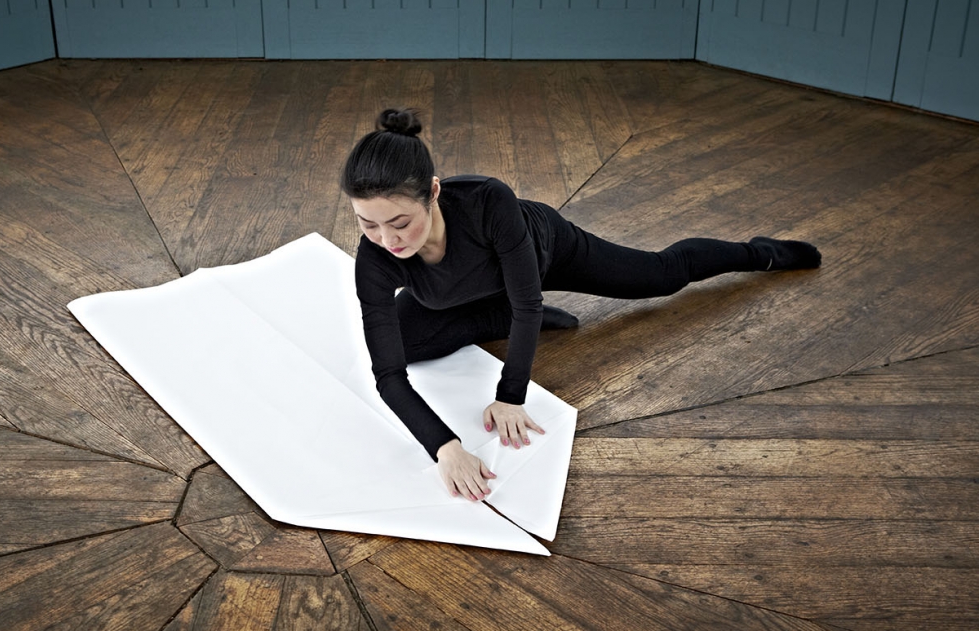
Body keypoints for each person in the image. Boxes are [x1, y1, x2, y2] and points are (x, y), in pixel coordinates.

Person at [342, 108, 821, 502]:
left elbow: (528, 303)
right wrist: (445, 447)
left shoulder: (489, 201)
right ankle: (493, 316)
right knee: (403, 346)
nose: (387, 240)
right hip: (475, 294)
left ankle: (761, 253)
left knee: (660, 276)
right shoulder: (377, 258)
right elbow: (387, 375)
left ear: (433, 192)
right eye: (369, 226)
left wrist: (511, 395)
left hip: (547, 255)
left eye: (400, 223)